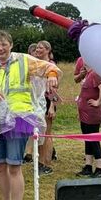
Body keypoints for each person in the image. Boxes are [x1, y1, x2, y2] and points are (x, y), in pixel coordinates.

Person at [0, 30, 61, 200]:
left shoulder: (24, 60)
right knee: (0, 167)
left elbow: (48, 67)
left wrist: (52, 77)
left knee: (14, 166)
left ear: (11, 45)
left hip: (18, 119)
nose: (0, 48)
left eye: (4, 44)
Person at [74, 57, 101, 178]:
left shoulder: (95, 74)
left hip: (92, 114)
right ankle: (88, 166)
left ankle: (99, 168)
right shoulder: (88, 74)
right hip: (84, 114)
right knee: (87, 139)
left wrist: (98, 102)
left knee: (93, 140)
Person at [34, 40, 60, 175]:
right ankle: (40, 161)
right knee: (39, 134)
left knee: (47, 134)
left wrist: (51, 106)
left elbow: (54, 90)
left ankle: (46, 164)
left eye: (41, 48)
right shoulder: (36, 64)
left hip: (47, 101)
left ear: (48, 50)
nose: (38, 49)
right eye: (37, 47)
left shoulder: (51, 66)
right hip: (37, 102)